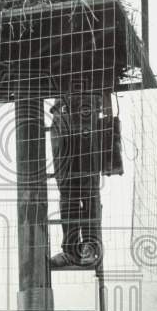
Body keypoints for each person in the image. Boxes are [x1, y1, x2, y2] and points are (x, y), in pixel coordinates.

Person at [49, 80, 104, 269]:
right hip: (62, 113)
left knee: (89, 189)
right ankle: (71, 250)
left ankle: (90, 247)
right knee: (66, 191)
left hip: (86, 111)